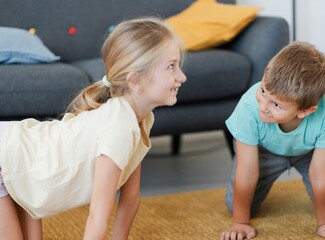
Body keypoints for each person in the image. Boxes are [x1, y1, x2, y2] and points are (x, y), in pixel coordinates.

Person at [0, 17, 186, 239]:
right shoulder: (119, 128)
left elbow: (130, 198)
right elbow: (97, 217)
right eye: (171, 67)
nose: (182, 77)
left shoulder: (141, 119)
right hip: (7, 156)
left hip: (25, 167)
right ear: (135, 80)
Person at [221, 41, 325, 240]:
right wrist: (240, 223)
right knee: (236, 207)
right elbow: (247, 172)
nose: (263, 107)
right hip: (264, 149)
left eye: (276, 105)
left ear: (305, 111)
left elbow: (320, 174)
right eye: (263, 91)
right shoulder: (249, 106)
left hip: (312, 151)